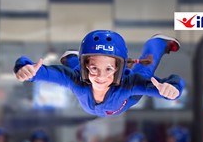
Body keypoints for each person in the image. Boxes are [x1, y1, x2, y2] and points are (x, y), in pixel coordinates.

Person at [14, 30, 185, 117]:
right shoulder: (78, 79)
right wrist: (25, 69)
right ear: (86, 64)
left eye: (109, 69)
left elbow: (169, 86)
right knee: (76, 74)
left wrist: (172, 89)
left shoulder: (129, 85)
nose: (101, 77)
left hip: (126, 101)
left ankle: (156, 43)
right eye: (94, 68)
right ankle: (72, 59)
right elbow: (44, 73)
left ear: (118, 69)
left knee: (145, 73)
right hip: (85, 83)